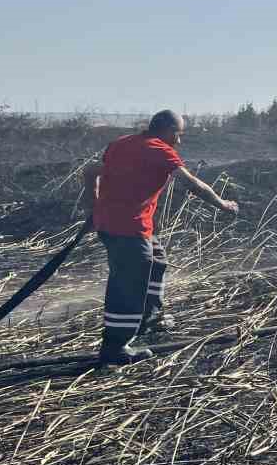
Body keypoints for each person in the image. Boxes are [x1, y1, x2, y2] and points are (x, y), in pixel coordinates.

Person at [80, 110, 238, 365]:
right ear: (167, 131)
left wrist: (93, 207)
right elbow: (192, 184)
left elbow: (90, 172)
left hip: (113, 225)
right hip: (127, 229)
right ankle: (115, 348)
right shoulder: (159, 150)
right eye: (178, 134)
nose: (179, 141)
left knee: (157, 260)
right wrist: (223, 204)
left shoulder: (121, 144)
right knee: (128, 282)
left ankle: (149, 316)